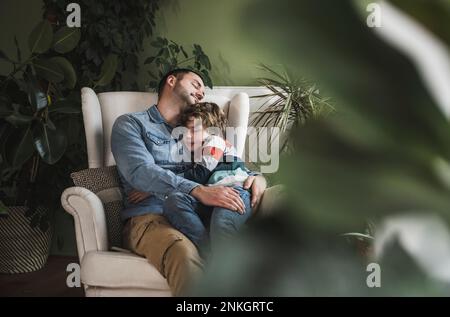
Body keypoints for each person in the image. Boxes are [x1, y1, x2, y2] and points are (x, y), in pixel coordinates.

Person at [111, 68, 267, 296]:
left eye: (203, 91)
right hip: (152, 217)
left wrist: (257, 177)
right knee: (185, 256)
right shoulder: (131, 124)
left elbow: (226, 162)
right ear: (172, 81)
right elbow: (140, 172)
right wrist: (197, 189)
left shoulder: (199, 131)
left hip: (201, 214)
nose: (201, 93)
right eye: (196, 84)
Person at [163, 102, 255, 257]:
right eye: (184, 131)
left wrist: (161, 183)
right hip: (211, 197)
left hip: (235, 191)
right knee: (174, 201)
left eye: (194, 130)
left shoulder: (215, 142)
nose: (187, 135)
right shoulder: (193, 155)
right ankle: (210, 254)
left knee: (222, 223)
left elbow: (200, 174)